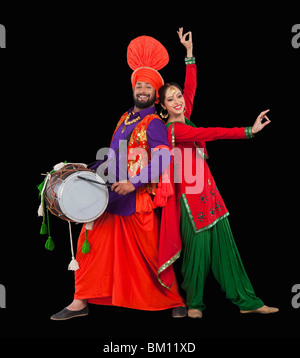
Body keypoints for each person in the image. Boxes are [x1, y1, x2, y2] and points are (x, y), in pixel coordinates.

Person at [50, 35, 185, 320]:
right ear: (133, 88)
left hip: (136, 201)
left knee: (151, 256)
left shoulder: (155, 123)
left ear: (156, 93)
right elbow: (113, 159)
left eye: (149, 86)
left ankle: (175, 300)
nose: (143, 89)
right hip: (109, 196)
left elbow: (162, 159)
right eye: (139, 85)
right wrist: (84, 167)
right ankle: (80, 301)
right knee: (89, 250)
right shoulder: (124, 118)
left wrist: (132, 183)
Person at [158, 27, 279, 318]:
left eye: (178, 97)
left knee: (227, 249)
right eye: (171, 99)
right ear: (162, 108)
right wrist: (249, 131)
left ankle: (247, 301)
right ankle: (195, 302)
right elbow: (212, 133)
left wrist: (189, 54)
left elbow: (191, 88)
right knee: (196, 253)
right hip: (190, 198)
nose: (177, 101)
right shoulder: (175, 129)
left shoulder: (184, 113)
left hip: (209, 192)